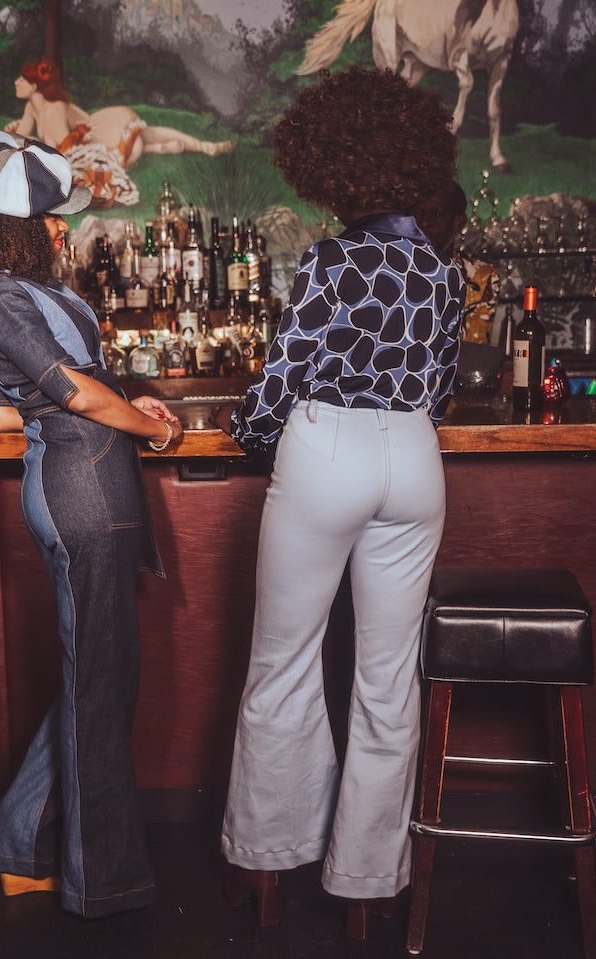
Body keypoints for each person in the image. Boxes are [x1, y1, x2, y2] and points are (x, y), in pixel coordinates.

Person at [210, 66, 466, 932]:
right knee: (389, 683)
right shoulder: (443, 269)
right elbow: (438, 389)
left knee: (284, 666)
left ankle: (269, 866)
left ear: (333, 164)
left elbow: (281, 382)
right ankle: (365, 882)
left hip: (328, 448)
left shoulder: (329, 259)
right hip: (415, 458)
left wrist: (242, 430)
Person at [0, 130, 182, 918]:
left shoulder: (28, 290)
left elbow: (5, 402)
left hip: (93, 485)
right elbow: (71, 393)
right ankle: (100, 878)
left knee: (97, 675)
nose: (65, 228)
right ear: (12, 225)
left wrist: (135, 400)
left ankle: (19, 848)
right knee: (100, 680)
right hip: (79, 493)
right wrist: (154, 429)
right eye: (53, 218)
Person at [6, 60, 234, 206]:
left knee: (143, 136)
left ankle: (202, 146)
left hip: (106, 135)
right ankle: (184, 147)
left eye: (22, 80)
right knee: (146, 138)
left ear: (34, 86)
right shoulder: (32, 108)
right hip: (99, 139)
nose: (16, 83)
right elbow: (20, 136)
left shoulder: (54, 108)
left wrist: (33, 142)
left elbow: (66, 152)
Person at [416, 182, 500, 345]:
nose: (425, 223)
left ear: (459, 222)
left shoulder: (480, 275)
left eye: (436, 214)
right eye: (418, 215)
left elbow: (474, 349)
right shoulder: (398, 268)